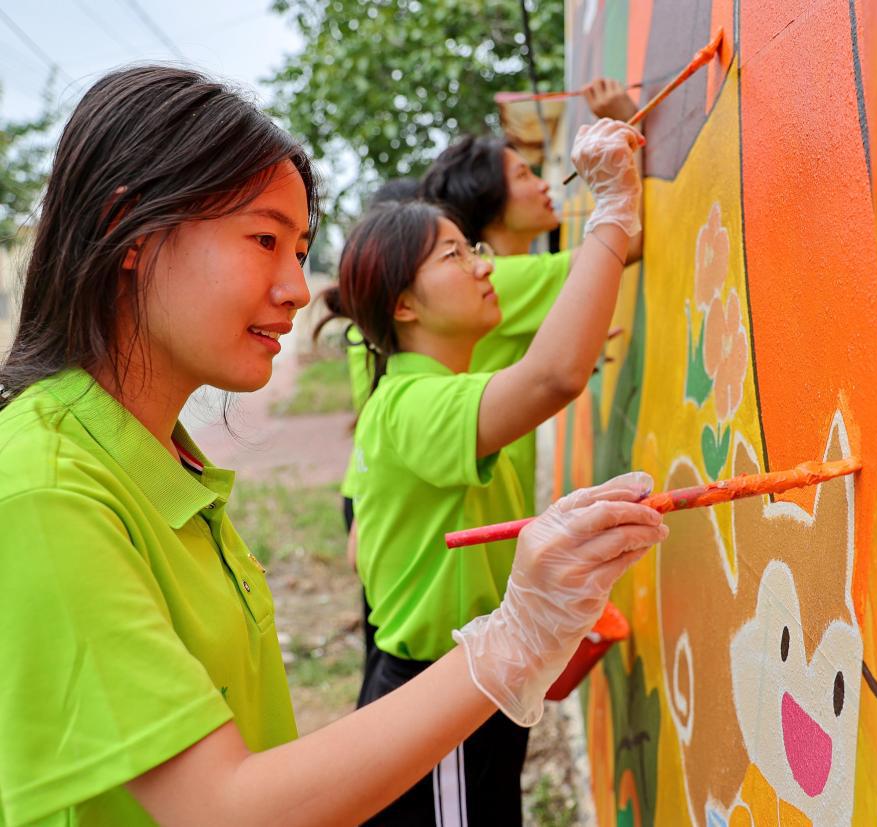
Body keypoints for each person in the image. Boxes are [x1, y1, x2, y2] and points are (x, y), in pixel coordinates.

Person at [0, 65, 666, 826]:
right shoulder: (47, 486)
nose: (294, 286)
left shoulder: (153, 459)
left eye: (299, 249)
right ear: (132, 235)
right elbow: (222, 808)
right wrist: (513, 640)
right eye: (264, 240)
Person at [320, 114, 644, 824]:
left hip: (458, 680)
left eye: (472, 248)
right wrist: (614, 211)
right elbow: (551, 375)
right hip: (441, 690)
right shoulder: (413, 403)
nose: (484, 265)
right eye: (454, 257)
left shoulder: (416, 392)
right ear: (403, 305)